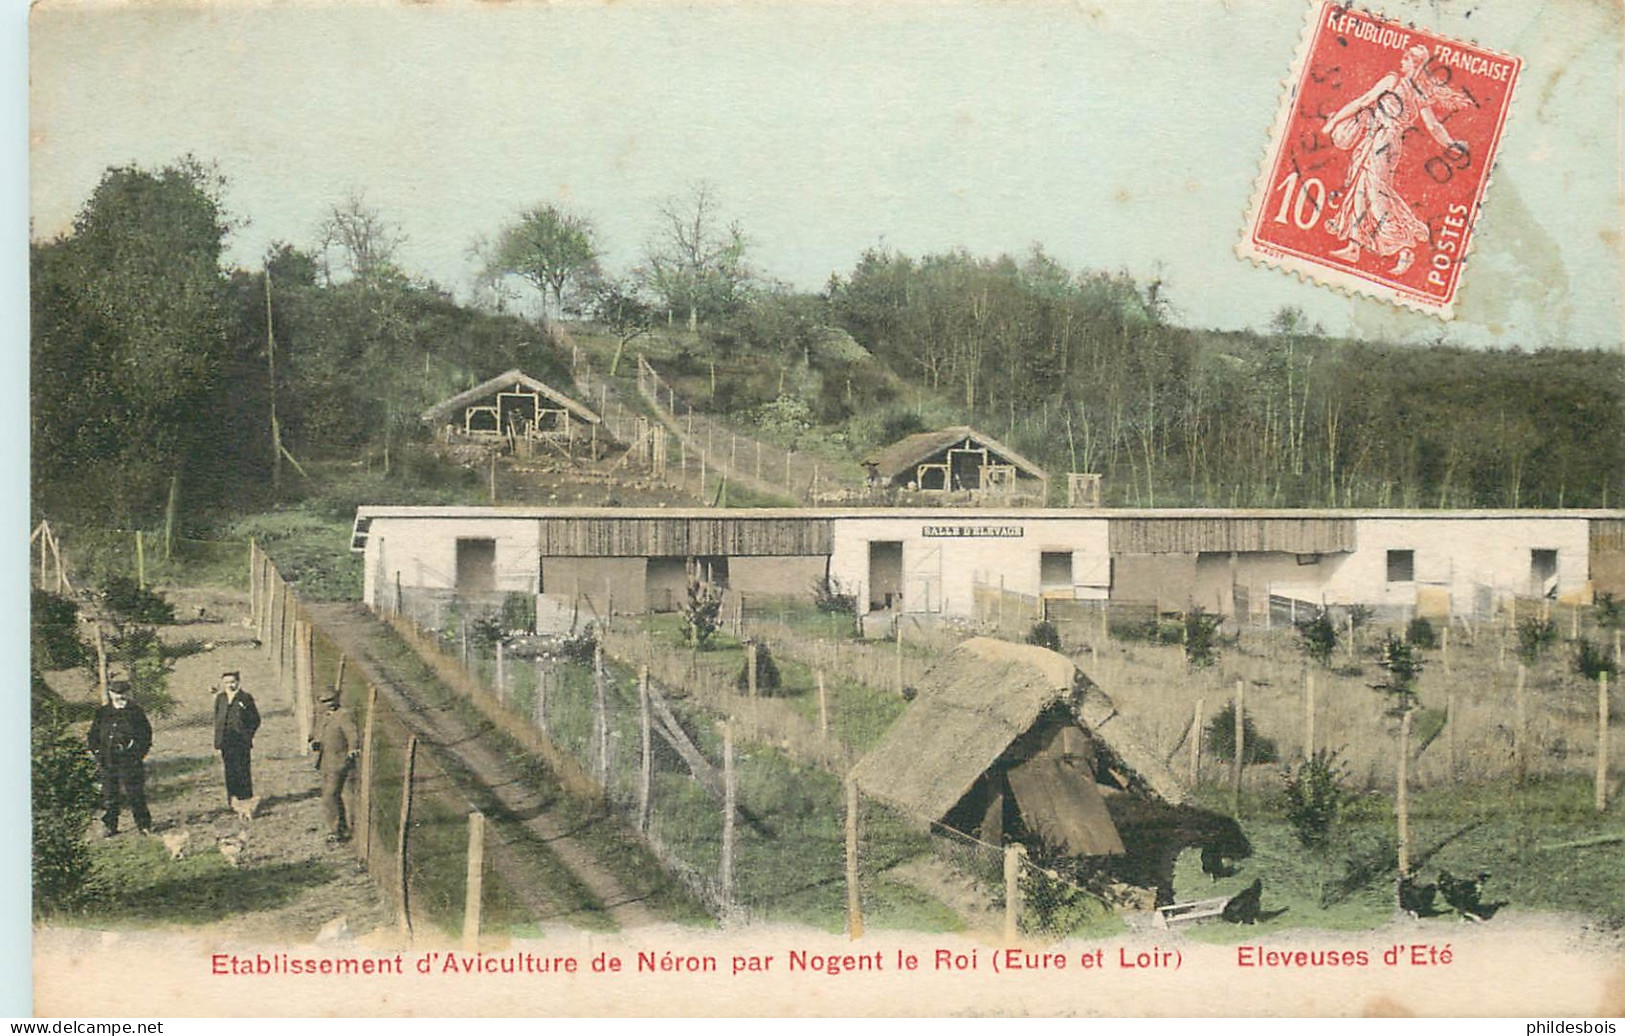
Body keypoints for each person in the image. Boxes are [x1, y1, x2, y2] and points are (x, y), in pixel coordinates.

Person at [1322, 44, 1472, 275]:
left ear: (1414, 64)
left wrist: (1333, 122)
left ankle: (1403, 249)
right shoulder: (1420, 93)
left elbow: (1363, 101)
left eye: (1406, 60)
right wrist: (1451, 144)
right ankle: (1354, 246)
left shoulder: (1392, 81)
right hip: (1387, 142)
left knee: (1375, 194)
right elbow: (1433, 126)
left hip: (1381, 141)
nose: (1401, 62)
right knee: (1361, 189)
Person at [86, 681, 153, 837]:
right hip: (107, 760)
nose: (120, 696)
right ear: (110, 694)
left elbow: (145, 737)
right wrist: (97, 752)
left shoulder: (136, 713)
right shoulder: (102, 713)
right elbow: (93, 735)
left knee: (135, 794)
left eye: (123, 693)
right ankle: (110, 825)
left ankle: (144, 825)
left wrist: (136, 755)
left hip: (129, 761)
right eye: (116, 693)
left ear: (128, 693)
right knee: (110, 795)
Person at [309, 692, 360, 843]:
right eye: (325, 701)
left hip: (339, 762)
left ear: (337, 699)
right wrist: (315, 742)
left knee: (330, 796)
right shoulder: (325, 716)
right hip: (326, 762)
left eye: (331, 700)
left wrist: (353, 748)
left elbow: (353, 734)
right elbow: (319, 735)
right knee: (331, 796)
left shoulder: (343, 715)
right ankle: (339, 827)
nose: (329, 703)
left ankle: (336, 831)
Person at [213, 671, 261, 819]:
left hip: (241, 741)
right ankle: (233, 802)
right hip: (226, 741)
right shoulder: (220, 698)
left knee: (242, 771)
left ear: (238, 682)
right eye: (226, 682)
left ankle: (246, 801)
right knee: (230, 771)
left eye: (232, 682)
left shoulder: (245, 698)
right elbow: (217, 718)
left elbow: (255, 719)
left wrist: (247, 735)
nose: (230, 685)